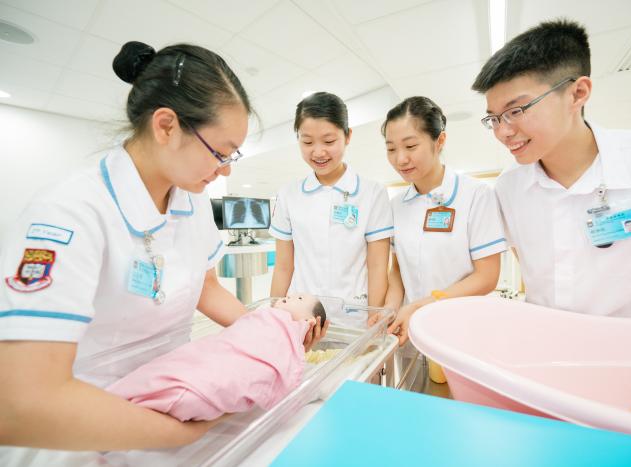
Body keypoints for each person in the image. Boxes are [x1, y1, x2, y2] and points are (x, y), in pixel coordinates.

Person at [0, 41, 326, 461]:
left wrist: (270, 335)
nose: (225, 169)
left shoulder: (189, 201)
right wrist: (176, 434)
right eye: (220, 153)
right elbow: (22, 404)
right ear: (167, 126)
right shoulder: (69, 214)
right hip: (85, 425)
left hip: (179, 392)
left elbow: (204, 286)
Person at [471, 19, 631, 318]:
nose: (503, 132)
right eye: (494, 119)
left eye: (516, 111)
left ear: (578, 93)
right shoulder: (508, 187)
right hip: (551, 352)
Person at [380, 97, 506, 346]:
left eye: (410, 146)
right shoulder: (396, 205)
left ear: (440, 141)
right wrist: (389, 311)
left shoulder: (476, 195)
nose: (400, 159)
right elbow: (397, 270)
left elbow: (487, 276)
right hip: (410, 328)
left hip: (463, 328)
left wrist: (421, 306)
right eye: (391, 149)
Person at [108, 294, 326, 422]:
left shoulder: (291, 328)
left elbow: (279, 359)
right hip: (212, 351)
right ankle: (119, 402)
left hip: (231, 365)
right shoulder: (264, 316)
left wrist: (297, 345)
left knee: (201, 384)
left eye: (299, 298)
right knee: (174, 366)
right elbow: (241, 335)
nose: (289, 295)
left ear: (309, 321)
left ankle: (132, 404)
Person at [269, 92, 393, 307]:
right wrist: (271, 313)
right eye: (307, 142)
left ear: (347, 136)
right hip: (301, 312)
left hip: (354, 312)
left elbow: (378, 266)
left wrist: (375, 317)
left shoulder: (372, 193)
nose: (318, 152)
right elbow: (283, 266)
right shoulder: (288, 194)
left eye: (329, 141)